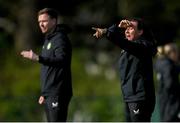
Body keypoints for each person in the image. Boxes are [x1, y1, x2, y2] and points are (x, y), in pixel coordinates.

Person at [92, 18, 157, 121]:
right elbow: (122, 42)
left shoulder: (143, 46)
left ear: (140, 31)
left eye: (131, 28)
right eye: (125, 28)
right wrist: (117, 27)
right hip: (129, 97)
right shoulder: (129, 47)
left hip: (139, 98)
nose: (126, 30)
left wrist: (106, 31)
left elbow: (122, 42)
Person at [21, 8, 72, 122]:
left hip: (58, 92)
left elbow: (62, 60)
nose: (41, 24)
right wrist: (45, 93)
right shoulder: (48, 40)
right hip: (50, 93)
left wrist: (38, 58)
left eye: (44, 21)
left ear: (54, 21)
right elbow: (48, 70)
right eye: (39, 22)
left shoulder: (60, 38)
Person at [155, 43, 180, 122]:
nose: (178, 55)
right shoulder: (168, 65)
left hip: (164, 99)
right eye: (177, 53)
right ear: (171, 53)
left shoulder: (160, 63)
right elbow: (169, 84)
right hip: (171, 101)